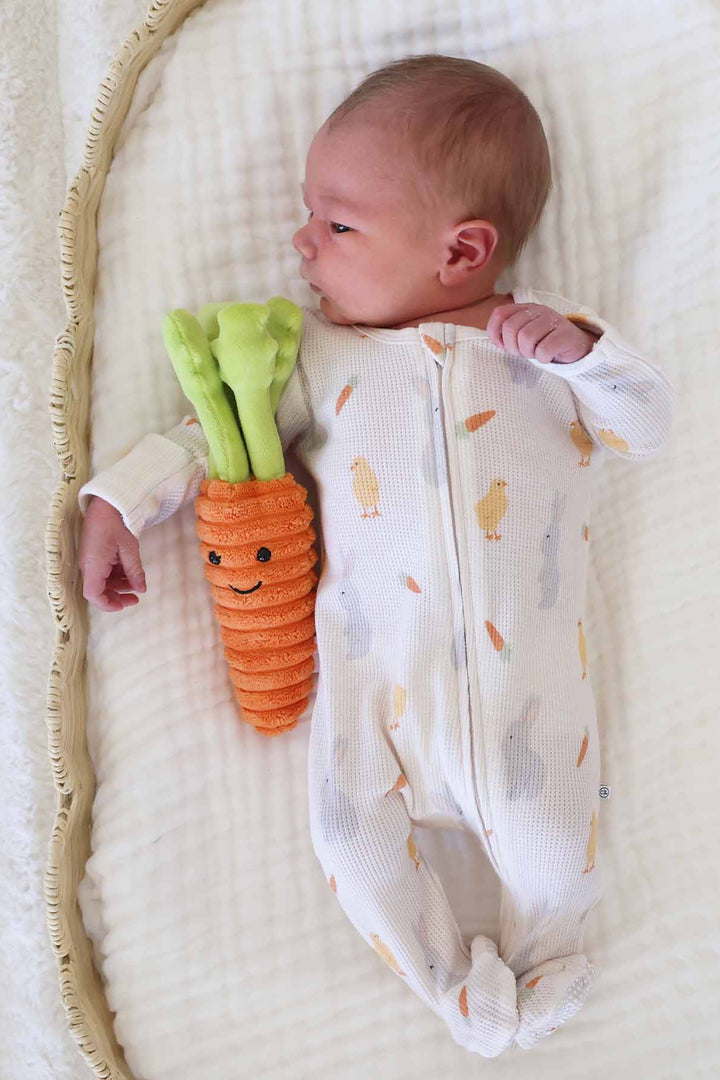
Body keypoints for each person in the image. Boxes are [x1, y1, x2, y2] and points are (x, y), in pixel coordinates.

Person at [77, 54, 674, 1055]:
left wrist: (589, 357)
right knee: (347, 839)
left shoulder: (541, 345)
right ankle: (453, 992)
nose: (301, 242)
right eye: (311, 216)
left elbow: (645, 427)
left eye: (338, 225)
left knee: (554, 858)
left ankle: (543, 962)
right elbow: (210, 434)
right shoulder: (318, 353)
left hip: (525, 695)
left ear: (463, 250)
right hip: (373, 674)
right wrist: (118, 502)